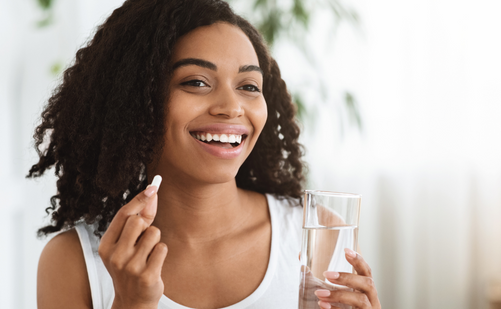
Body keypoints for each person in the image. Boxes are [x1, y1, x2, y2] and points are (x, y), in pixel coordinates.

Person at [28, 0, 381, 308]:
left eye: (248, 87)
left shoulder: (323, 233)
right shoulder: (74, 261)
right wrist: (131, 304)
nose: (231, 107)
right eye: (196, 82)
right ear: (133, 102)